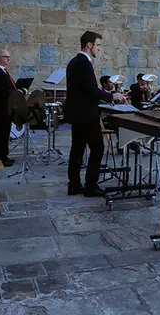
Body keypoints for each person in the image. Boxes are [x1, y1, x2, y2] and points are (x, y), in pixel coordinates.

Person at [65, 31, 125, 197]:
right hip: (86, 114)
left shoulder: (74, 62)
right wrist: (111, 96)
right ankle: (90, 186)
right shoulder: (83, 63)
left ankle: (74, 185)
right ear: (89, 45)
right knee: (98, 148)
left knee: (77, 149)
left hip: (78, 113)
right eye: (98, 45)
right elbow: (91, 89)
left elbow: (85, 89)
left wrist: (104, 97)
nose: (99, 48)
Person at [0, 50, 21, 166]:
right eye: (6, 57)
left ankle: (4, 155)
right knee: (0, 134)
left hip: (6, 107)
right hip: (1, 108)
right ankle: (0, 158)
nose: (8, 59)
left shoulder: (2, 71)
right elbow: (1, 90)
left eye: (9, 57)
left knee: (5, 133)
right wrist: (15, 92)